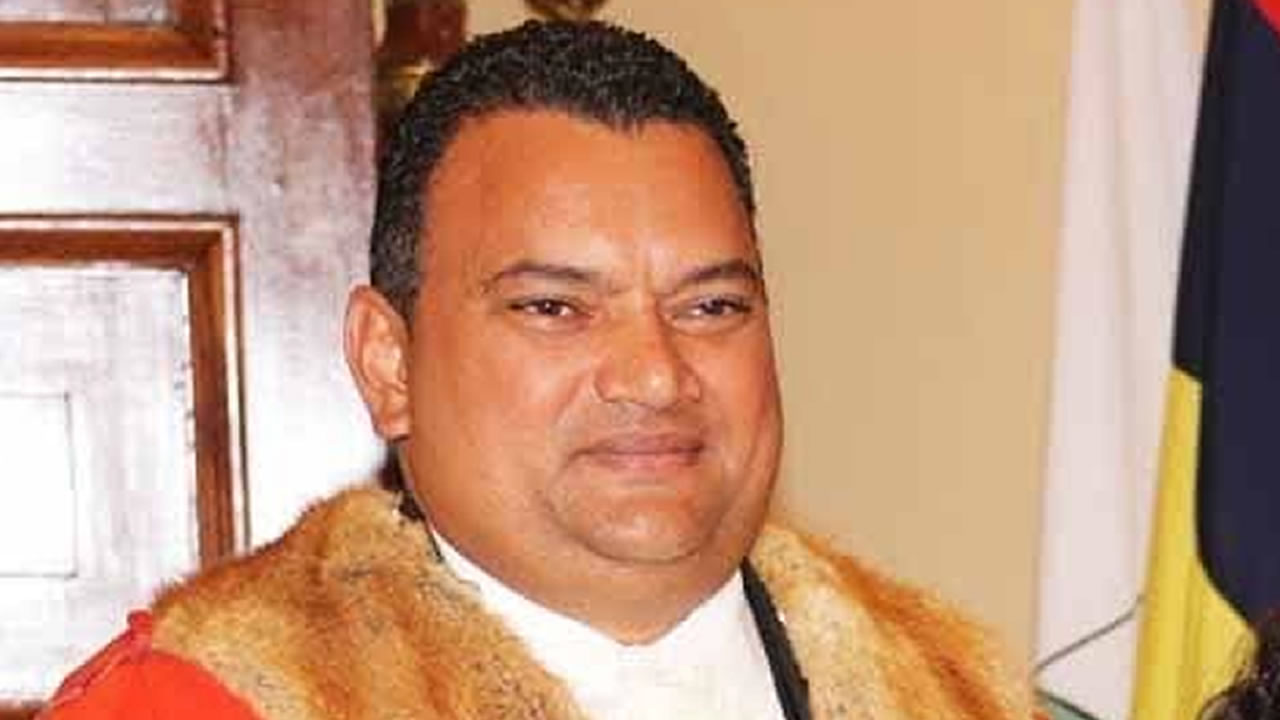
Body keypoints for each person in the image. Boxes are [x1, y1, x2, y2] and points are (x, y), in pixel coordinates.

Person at [39, 20, 1032, 720]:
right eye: (554, 308)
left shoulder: (957, 697)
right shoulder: (200, 704)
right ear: (388, 364)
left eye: (711, 308)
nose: (655, 376)